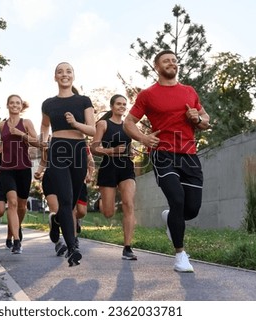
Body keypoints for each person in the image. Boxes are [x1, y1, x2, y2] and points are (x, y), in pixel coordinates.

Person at [123, 49, 210, 272]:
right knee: (178, 200)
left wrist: (197, 118)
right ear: (157, 67)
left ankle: (171, 218)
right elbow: (129, 122)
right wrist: (143, 138)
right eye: (166, 61)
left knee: (191, 209)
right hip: (163, 153)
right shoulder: (148, 94)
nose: (171, 63)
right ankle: (180, 256)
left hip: (189, 154)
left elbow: (205, 120)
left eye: (174, 60)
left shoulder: (189, 91)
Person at [40, 62, 96, 266]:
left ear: (73, 76)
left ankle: (56, 221)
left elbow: (92, 130)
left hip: (79, 149)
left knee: (70, 202)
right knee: (65, 199)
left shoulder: (83, 101)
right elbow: (45, 127)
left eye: (68, 71)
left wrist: (75, 124)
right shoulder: (48, 103)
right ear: (55, 77)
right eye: (60, 72)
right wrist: (43, 141)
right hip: (58, 149)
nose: (64, 74)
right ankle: (72, 248)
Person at [91, 94, 138, 260]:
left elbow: (130, 145)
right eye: (119, 104)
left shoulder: (129, 125)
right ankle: (102, 201)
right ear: (112, 106)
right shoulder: (103, 124)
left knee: (129, 203)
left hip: (126, 167)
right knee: (109, 213)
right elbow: (94, 148)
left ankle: (127, 247)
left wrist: (130, 152)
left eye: (124, 104)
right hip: (108, 167)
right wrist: (111, 151)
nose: (122, 107)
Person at [34, 145, 94, 255]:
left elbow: (91, 161)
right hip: (52, 178)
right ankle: (62, 243)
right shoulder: (52, 142)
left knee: (80, 212)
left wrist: (90, 174)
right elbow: (44, 160)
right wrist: (38, 172)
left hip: (76, 179)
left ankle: (65, 222)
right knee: (59, 210)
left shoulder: (81, 143)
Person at [0, 94, 38, 254]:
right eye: (12, 103)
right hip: (7, 168)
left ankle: (13, 230)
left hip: (24, 168)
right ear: (7, 105)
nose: (14, 105)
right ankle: (17, 241)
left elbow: (36, 142)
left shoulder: (26, 123)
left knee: (21, 206)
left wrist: (20, 134)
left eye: (17, 103)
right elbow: (3, 142)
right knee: (12, 203)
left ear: (21, 106)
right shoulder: (1, 125)